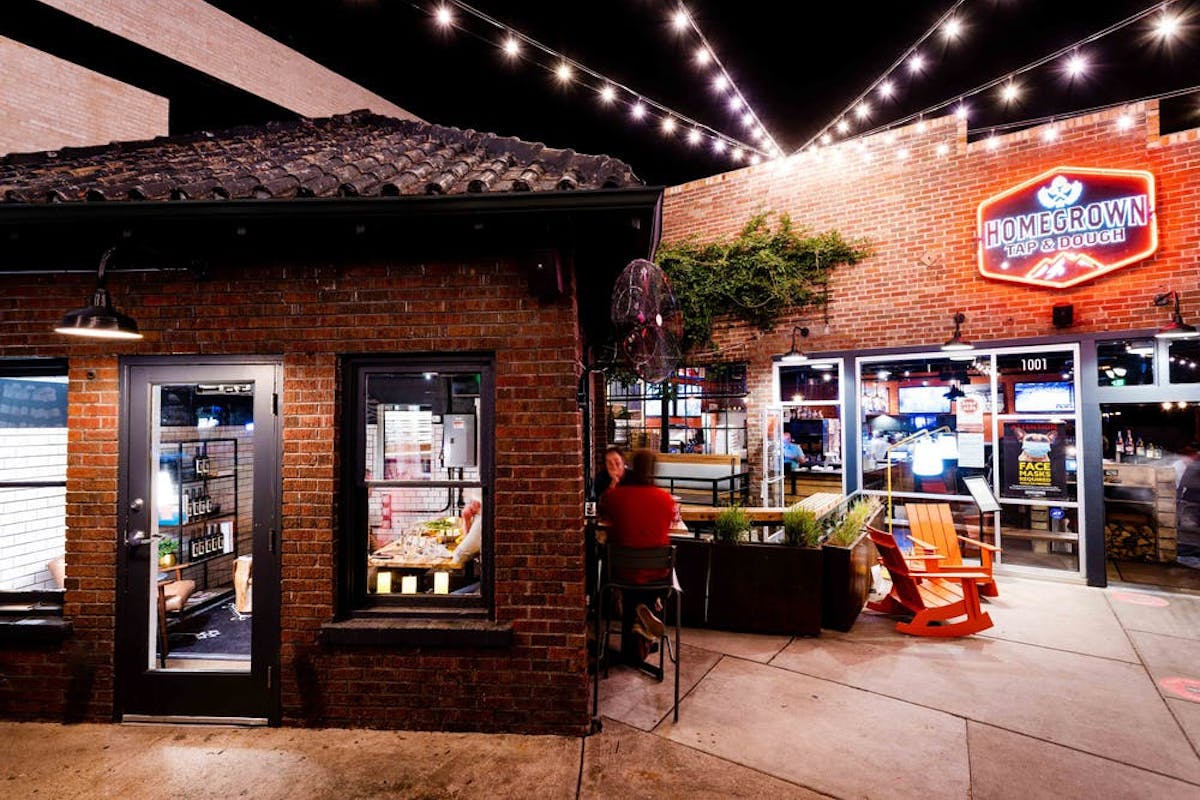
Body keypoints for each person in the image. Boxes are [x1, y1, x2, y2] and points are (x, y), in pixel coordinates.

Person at [599, 449, 675, 665]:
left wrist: (614, 483)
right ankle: (647, 613)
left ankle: (641, 618)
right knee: (663, 571)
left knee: (628, 574)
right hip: (657, 579)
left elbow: (602, 512)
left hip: (621, 574)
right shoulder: (665, 499)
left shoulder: (616, 497)